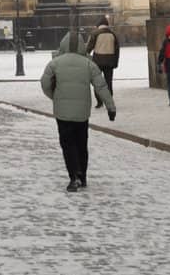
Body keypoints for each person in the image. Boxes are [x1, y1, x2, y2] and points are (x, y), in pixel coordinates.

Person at [40, 29, 116, 192]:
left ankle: (73, 175)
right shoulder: (89, 64)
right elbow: (101, 86)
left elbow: (45, 84)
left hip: (62, 112)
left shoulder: (55, 63)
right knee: (82, 143)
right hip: (82, 113)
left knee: (67, 144)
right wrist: (110, 107)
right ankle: (83, 176)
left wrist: (55, 97)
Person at [88, 16, 120, 108]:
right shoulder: (113, 34)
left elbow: (89, 48)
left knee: (97, 82)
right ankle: (109, 101)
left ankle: (99, 101)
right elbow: (117, 50)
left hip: (98, 61)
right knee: (108, 82)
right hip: (110, 61)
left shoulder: (95, 34)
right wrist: (115, 62)